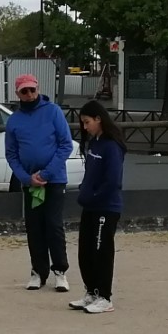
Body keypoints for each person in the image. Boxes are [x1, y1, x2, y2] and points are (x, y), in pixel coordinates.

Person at [4, 73, 74, 292]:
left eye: (32, 90)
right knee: (34, 227)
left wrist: (46, 173)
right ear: (18, 94)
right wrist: (27, 178)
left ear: (38, 89)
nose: (29, 94)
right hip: (31, 183)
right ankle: (38, 272)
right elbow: (11, 154)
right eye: (24, 91)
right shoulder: (14, 120)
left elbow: (65, 145)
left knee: (53, 225)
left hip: (54, 180)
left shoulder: (53, 112)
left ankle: (60, 271)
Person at [68, 100, 126, 314]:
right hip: (90, 207)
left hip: (106, 207)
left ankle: (105, 296)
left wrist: (93, 196)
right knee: (86, 251)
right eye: (82, 123)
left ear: (99, 119)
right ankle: (91, 291)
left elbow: (112, 181)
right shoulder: (95, 143)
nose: (85, 127)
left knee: (102, 251)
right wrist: (84, 191)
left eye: (87, 122)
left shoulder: (112, 146)